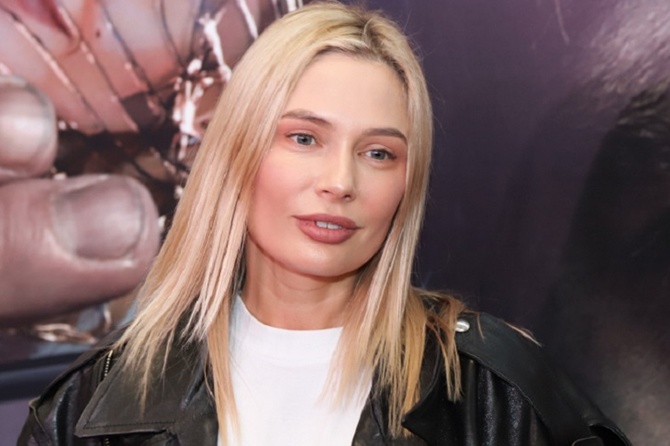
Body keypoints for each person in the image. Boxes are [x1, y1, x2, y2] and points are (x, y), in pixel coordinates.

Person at [19, 2, 631, 445]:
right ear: (237, 150)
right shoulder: (89, 406)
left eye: (379, 153)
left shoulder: (497, 390)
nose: (340, 182)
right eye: (305, 138)